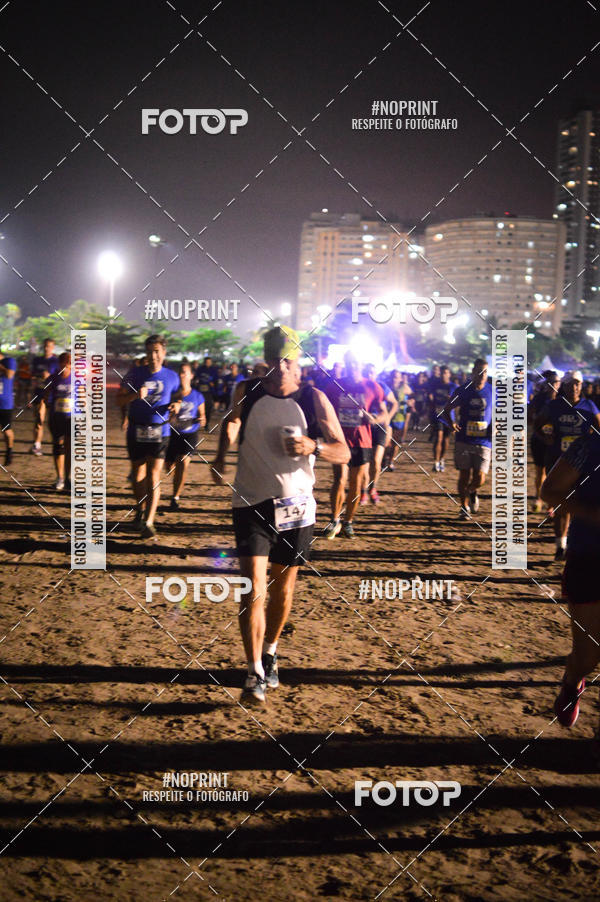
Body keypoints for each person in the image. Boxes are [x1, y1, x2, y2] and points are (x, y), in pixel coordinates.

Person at [210, 325, 349, 704]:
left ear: (299, 361)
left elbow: (344, 451)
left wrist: (313, 445)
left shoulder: (314, 398)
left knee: (283, 588)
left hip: (297, 508)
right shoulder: (246, 391)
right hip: (251, 502)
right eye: (274, 359)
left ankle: (270, 650)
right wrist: (225, 449)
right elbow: (234, 420)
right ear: (265, 362)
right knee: (253, 587)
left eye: (287, 359)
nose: (281, 366)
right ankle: (253, 670)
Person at [542, 431, 600, 728]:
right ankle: (573, 679)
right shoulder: (590, 444)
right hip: (590, 557)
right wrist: (592, 513)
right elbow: (550, 491)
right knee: (588, 656)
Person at [117, 335, 180, 538]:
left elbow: (179, 396)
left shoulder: (172, 376)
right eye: (150, 351)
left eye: (157, 351)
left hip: (160, 430)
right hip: (136, 429)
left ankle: (149, 521)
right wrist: (135, 395)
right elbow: (119, 400)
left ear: (163, 352)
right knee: (137, 475)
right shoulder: (134, 374)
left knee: (154, 476)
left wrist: (176, 405)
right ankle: (140, 507)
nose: (153, 356)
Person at [534, 370, 600, 560]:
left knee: (577, 502)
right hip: (558, 460)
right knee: (561, 505)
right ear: (564, 385)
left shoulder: (590, 407)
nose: (574, 387)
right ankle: (560, 545)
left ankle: (572, 543)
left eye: (577, 383)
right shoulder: (554, 406)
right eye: (571, 383)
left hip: (582, 465)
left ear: (582, 386)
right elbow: (537, 424)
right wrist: (545, 437)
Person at [324, 352, 387, 538]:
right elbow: (324, 409)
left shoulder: (372, 386)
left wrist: (374, 419)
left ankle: (348, 522)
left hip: (362, 441)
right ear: (346, 364)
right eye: (350, 363)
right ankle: (335, 519)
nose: (354, 366)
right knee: (339, 479)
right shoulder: (334, 386)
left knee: (356, 483)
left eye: (356, 363)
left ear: (362, 364)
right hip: (340, 440)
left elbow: (384, 413)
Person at [441, 358, 492, 519]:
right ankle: (463, 507)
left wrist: (497, 425)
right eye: (479, 371)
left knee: (480, 478)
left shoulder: (493, 391)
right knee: (464, 474)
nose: (482, 375)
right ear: (473, 373)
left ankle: (472, 491)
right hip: (464, 439)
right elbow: (447, 409)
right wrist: (452, 424)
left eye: (485, 371)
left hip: (484, 440)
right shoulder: (463, 390)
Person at [165, 362, 206, 510]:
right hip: (172, 434)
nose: (182, 375)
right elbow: (164, 415)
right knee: (169, 467)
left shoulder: (198, 396)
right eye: (180, 373)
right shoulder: (172, 394)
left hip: (190, 434)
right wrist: (170, 413)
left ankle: (175, 497)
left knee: (182, 462)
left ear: (191, 376)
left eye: (185, 372)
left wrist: (201, 420)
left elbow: (203, 416)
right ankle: (174, 476)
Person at [361, 363, 398, 505]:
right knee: (365, 462)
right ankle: (363, 490)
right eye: (367, 372)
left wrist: (388, 418)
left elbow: (394, 403)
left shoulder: (381, 386)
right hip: (365, 427)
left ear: (376, 374)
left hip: (380, 427)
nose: (370, 375)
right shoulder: (360, 387)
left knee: (376, 462)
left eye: (372, 372)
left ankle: (373, 488)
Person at [528, 370, 560, 512]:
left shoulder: (563, 399)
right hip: (539, 439)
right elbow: (529, 417)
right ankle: (539, 497)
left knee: (554, 472)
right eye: (551, 382)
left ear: (560, 384)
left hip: (556, 441)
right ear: (546, 384)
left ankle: (551, 505)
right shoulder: (539, 399)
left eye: (556, 382)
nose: (553, 385)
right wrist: (539, 426)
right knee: (540, 471)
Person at [43, 351, 72, 490]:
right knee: (57, 446)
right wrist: (47, 405)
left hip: (71, 418)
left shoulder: (77, 379)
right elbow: (45, 394)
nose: (66, 366)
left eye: (69, 364)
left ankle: (68, 478)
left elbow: (84, 397)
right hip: (56, 418)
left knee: (69, 448)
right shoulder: (53, 378)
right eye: (63, 363)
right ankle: (59, 477)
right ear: (59, 364)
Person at [29, 338, 59, 455]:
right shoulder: (37, 360)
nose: (47, 348)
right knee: (38, 420)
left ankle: (57, 445)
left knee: (55, 423)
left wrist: (49, 376)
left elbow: (60, 377)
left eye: (49, 346)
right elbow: (32, 376)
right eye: (45, 346)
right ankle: (37, 445)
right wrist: (38, 376)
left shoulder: (56, 361)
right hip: (39, 393)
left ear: (53, 347)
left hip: (53, 395)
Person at [383, 370, 414, 471]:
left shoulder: (404, 388)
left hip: (399, 418)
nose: (394, 379)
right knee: (386, 441)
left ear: (400, 378)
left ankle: (391, 461)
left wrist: (410, 402)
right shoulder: (386, 386)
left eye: (396, 377)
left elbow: (413, 396)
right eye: (393, 377)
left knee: (395, 442)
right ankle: (384, 460)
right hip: (387, 417)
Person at [430, 365, 457, 472]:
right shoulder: (435, 385)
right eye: (442, 373)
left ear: (449, 374)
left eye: (446, 373)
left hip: (449, 416)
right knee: (438, 438)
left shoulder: (453, 386)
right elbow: (431, 400)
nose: (444, 375)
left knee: (446, 440)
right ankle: (436, 462)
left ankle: (442, 459)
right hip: (438, 416)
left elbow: (457, 401)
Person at [0, 352, 17, 466]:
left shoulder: (9, 361)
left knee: (6, 430)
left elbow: (9, 374)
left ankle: (9, 451)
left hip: (5, 403)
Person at [194, 356, 217, 430]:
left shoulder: (213, 370)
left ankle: (206, 424)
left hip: (209, 392)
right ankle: (196, 423)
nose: (208, 363)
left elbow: (216, 381)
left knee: (208, 408)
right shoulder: (200, 369)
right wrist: (196, 383)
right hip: (200, 392)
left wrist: (213, 385)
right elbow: (195, 378)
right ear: (204, 362)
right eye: (207, 362)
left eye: (209, 362)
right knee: (197, 408)